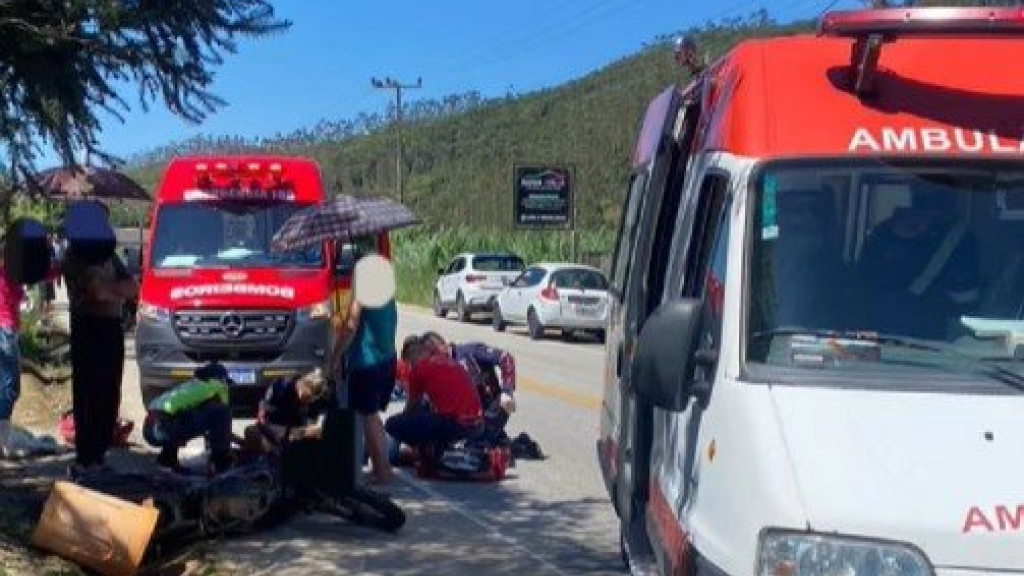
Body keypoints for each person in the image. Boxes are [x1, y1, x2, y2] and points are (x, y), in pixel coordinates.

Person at [63, 202, 139, 472]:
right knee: (89, 392)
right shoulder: (76, 255)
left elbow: (132, 286)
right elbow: (97, 293)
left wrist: (113, 290)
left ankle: (101, 454)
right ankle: (87, 456)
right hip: (87, 326)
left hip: (111, 325)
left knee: (110, 390)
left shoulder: (109, 256)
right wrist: (114, 291)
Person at [857, 184, 981, 339]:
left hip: (873, 344)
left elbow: (858, 290)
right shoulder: (960, 239)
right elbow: (966, 302)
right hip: (936, 348)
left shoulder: (880, 233)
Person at [330, 294, 398, 485]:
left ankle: (381, 472)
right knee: (373, 416)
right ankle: (383, 468)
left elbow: (351, 325)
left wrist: (335, 357)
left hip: (366, 361)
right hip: (387, 358)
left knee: (367, 417)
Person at [385, 336, 484, 462]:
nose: (410, 367)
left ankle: (391, 457)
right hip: (478, 424)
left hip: (456, 424)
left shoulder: (419, 369)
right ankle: (430, 450)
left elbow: (411, 408)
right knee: (427, 417)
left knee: (393, 423)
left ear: (413, 356)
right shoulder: (448, 361)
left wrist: (403, 429)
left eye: (409, 363)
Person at [421, 331, 516, 442]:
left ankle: (488, 438)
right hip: (461, 417)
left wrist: (507, 391)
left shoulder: (470, 351)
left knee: (476, 446)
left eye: (434, 352)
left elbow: (506, 358)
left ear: (444, 345)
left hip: (489, 408)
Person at [142, 362, 234, 475]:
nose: (226, 385)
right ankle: (220, 464)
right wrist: (223, 448)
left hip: (150, 428)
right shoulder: (215, 387)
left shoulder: (192, 387)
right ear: (220, 379)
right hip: (161, 429)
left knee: (183, 415)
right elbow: (221, 425)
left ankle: (167, 460)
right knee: (222, 411)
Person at [245, 368, 329, 455]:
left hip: (297, 434)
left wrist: (317, 427)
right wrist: (295, 434)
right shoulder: (280, 388)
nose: (308, 402)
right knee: (251, 432)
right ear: (303, 386)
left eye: (311, 400)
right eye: (307, 398)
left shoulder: (315, 400)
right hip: (274, 431)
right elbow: (263, 421)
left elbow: (317, 417)